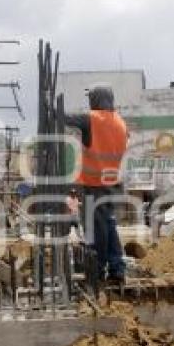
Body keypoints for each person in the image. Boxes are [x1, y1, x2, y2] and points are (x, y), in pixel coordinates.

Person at [65, 84, 129, 283]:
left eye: (90, 99)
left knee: (98, 230)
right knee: (108, 226)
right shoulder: (120, 122)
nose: (89, 103)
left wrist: (50, 105)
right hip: (112, 183)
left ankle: (98, 271)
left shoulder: (93, 120)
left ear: (96, 100)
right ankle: (117, 268)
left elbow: (65, 118)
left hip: (96, 185)